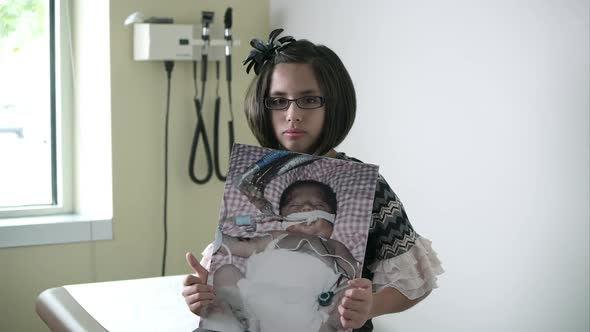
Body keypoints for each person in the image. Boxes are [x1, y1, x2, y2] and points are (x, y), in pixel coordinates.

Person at [183, 28, 444, 332]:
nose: (292, 114)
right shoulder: (255, 177)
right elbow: (235, 252)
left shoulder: (366, 188)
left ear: (333, 104)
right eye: (278, 101)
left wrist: (371, 304)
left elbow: (415, 283)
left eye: (308, 100)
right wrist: (203, 295)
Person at [206, 179, 357, 332]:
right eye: (294, 205)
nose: (306, 207)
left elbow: (354, 273)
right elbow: (246, 245)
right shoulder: (276, 236)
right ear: (282, 217)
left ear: (332, 217)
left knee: (348, 300)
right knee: (225, 273)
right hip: (250, 301)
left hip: (300, 314)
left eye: (318, 205)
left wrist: (343, 295)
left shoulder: (333, 246)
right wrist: (219, 239)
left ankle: (328, 327)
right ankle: (234, 323)